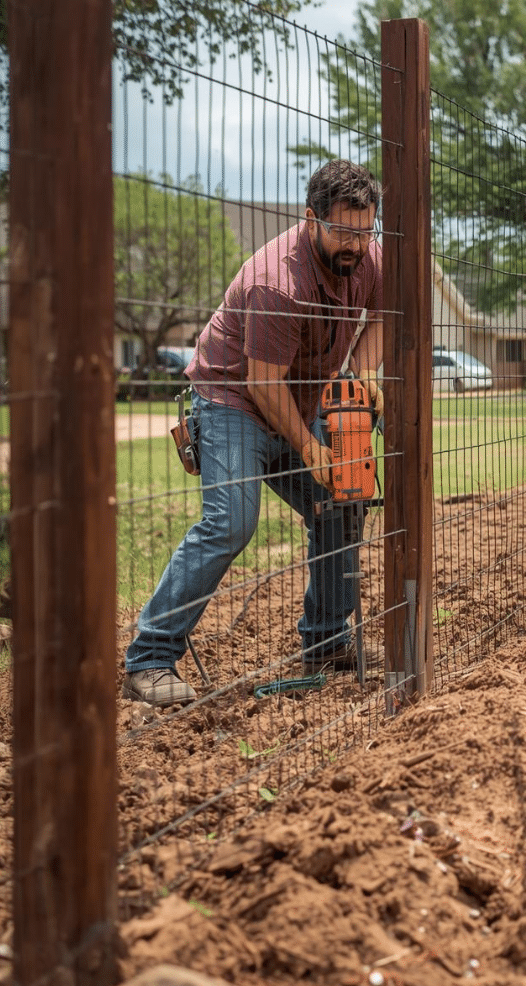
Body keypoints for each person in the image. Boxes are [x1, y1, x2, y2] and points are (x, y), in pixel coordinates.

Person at [122, 159, 384, 707]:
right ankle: (149, 658)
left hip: (300, 395)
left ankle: (327, 641)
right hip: (233, 403)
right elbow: (263, 385)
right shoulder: (277, 283)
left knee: (343, 502)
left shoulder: (368, 258)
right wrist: (310, 448)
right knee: (231, 523)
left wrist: (360, 376)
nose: (355, 245)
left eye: (365, 231)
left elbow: (382, 314)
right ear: (311, 218)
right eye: (343, 231)